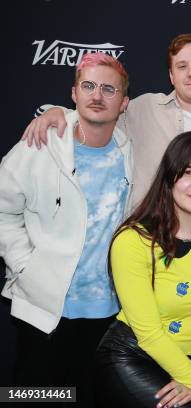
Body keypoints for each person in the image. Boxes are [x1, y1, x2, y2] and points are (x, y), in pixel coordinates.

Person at [0, 53, 132, 407]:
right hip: (44, 309)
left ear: (124, 103)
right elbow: (2, 209)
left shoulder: (130, 150)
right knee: (34, 398)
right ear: (73, 93)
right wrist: (24, 265)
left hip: (107, 314)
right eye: (88, 86)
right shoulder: (41, 145)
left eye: (109, 89)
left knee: (89, 399)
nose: (97, 95)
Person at [95, 131, 191, 408]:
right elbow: (149, 334)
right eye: (188, 172)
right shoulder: (132, 241)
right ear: (170, 177)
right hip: (134, 357)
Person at [22, 33, 191, 207]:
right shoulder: (143, 107)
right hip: (139, 239)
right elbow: (98, 111)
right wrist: (58, 112)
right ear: (172, 76)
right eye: (182, 67)